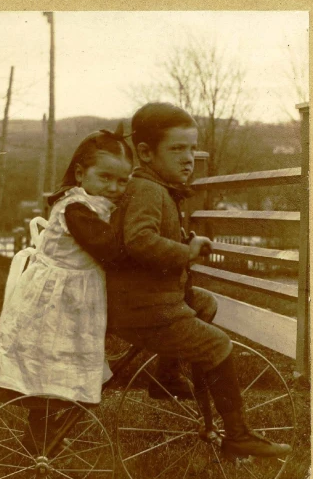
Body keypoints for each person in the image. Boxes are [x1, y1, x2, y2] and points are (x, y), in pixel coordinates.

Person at [107, 102, 291, 459]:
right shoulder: (148, 190)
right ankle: (237, 435)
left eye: (192, 149)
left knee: (204, 303)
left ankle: (168, 374)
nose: (188, 158)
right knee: (217, 346)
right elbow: (139, 241)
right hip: (143, 307)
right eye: (177, 149)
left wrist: (182, 244)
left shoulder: (157, 187)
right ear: (145, 153)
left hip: (150, 300)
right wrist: (186, 252)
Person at [0, 128, 132, 445]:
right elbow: (108, 249)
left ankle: (39, 434)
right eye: (106, 178)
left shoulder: (93, 203)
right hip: (56, 299)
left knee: (55, 366)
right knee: (49, 364)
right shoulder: (76, 209)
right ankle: (39, 436)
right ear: (81, 173)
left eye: (123, 181)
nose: (114, 188)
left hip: (73, 293)